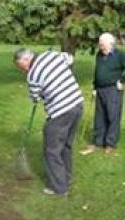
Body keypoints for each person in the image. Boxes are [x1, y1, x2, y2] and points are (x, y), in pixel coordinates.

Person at [14, 48, 84, 196]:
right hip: (77, 104)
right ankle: (66, 179)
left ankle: (59, 188)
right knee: (65, 145)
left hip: (61, 111)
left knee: (51, 150)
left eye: (22, 67)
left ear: (27, 59)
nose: (24, 71)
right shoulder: (52, 54)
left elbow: (35, 98)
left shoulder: (32, 75)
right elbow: (69, 58)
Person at [80, 33, 125, 155]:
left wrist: (122, 81)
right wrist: (95, 87)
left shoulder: (119, 55)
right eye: (100, 44)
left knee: (112, 116)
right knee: (99, 117)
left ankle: (110, 143)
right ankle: (97, 142)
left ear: (111, 44)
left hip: (113, 90)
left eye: (103, 44)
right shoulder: (99, 55)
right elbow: (97, 71)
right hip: (100, 90)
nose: (101, 47)